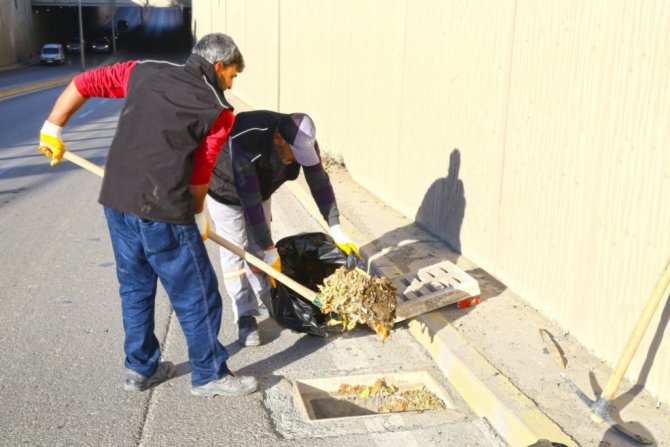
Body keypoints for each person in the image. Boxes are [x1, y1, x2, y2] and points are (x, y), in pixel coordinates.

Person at [37, 33, 258, 398]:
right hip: (164, 210)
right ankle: (209, 375)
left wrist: (52, 128)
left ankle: (140, 369)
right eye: (232, 75)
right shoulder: (218, 110)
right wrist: (199, 216)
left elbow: (84, 83)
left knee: (135, 287)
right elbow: (200, 173)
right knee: (197, 293)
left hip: (117, 200)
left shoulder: (143, 71)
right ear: (218, 66)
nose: (231, 84)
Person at [206, 111, 358, 346]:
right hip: (226, 190)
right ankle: (245, 315)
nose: (298, 159)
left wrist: (335, 226)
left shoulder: (303, 139)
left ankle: (267, 297)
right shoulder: (247, 140)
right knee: (236, 250)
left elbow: (318, 181)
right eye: (294, 153)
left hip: (261, 190)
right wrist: (268, 246)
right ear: (278, 139)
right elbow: (250, 201)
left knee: (259, 251)